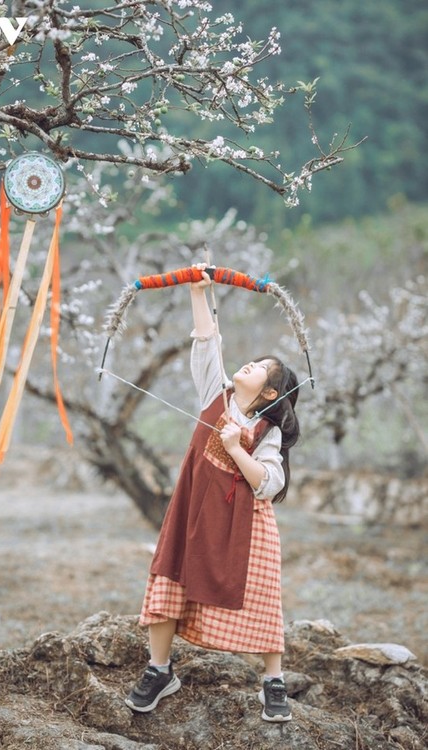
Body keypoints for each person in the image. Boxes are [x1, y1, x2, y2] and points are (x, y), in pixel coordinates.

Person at [125, 264, 300, 722]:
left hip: (246, 522)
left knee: (261, 595)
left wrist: (233, 448)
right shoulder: (215, 395)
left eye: (264, 370)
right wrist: (198, 292)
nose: (253, 365)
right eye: (257, 360)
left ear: (268, 395)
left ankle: (272, 683)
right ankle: (160, 670)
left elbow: (268, 483)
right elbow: (207, 342)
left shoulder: (268, 429)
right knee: (169, 578)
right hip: (193, 509)